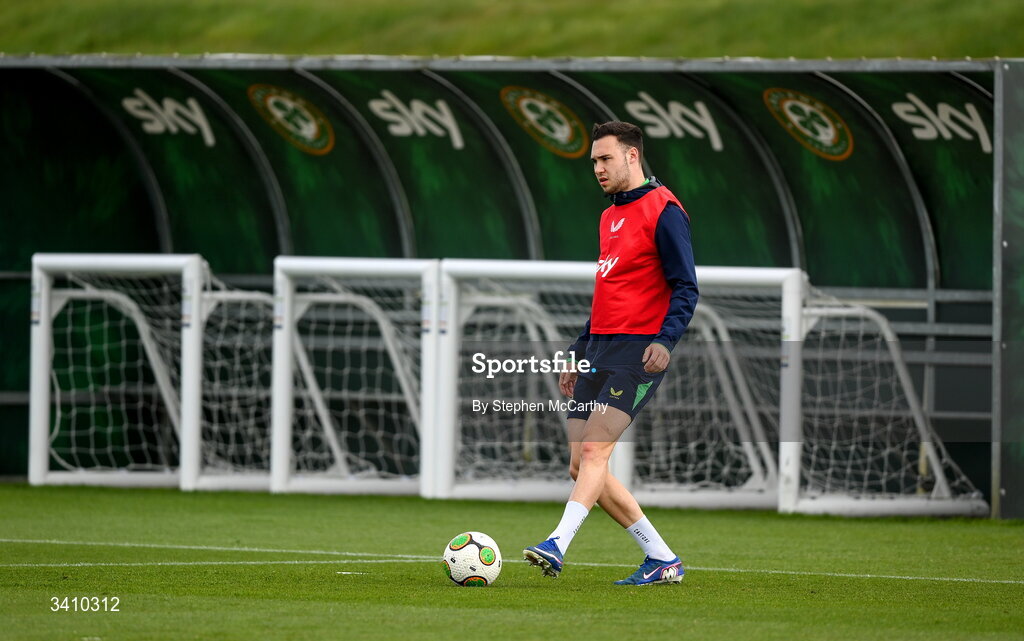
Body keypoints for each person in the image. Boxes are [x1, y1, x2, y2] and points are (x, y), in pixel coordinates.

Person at [523, 121, 699, 586]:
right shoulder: (608, 216)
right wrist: (577, 351)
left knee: (596, 449)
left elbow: (686, 287)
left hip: (638, 351)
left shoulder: (665, 210)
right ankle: (662, 558)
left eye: (605, 159)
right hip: (599, 347)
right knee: (581, 463)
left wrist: (666, 339)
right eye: (594, 162)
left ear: (632, 156)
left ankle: (556, 543)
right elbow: (608, 295)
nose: (598, 169)